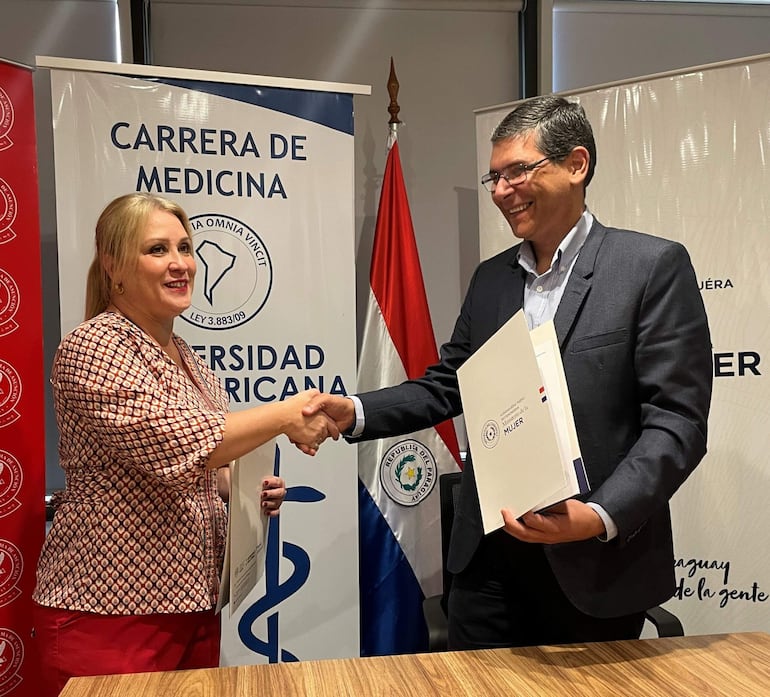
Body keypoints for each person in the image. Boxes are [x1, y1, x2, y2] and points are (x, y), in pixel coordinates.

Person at [301, 95, 712, 650]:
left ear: (576, 164)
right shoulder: (492, 280)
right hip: (486, 565)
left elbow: (677, 423)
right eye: (493, 176)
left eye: (517, 170)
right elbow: (450, 384)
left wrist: (597, 515)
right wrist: (356, 410)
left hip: (592, 565)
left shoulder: (649, 268)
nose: (500, 191)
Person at [33, 192, 338, 696]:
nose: (180, 264)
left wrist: (239, 489)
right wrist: (287, 414)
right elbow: (178, 442)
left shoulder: (186, 356)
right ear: (114, 266)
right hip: (109, 611)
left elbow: (201, 466)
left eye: (185, 247)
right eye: (157, 249)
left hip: (192, 606)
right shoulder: (93, 346)